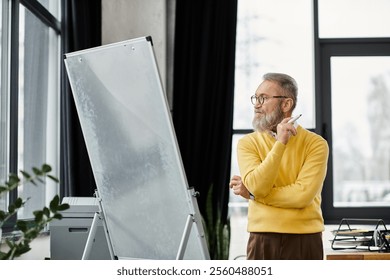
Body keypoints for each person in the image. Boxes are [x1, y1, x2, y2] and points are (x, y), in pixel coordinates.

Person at [229, 72, 329, 260]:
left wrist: (252, 195)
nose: (256, 104)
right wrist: (280, 143)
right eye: (256, 98)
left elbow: (301, 196)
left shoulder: (316, 144)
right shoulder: (247, 143)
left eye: (263, 98)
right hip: (262, 238)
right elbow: (258, 186)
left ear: (286, 104)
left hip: (306, 239)